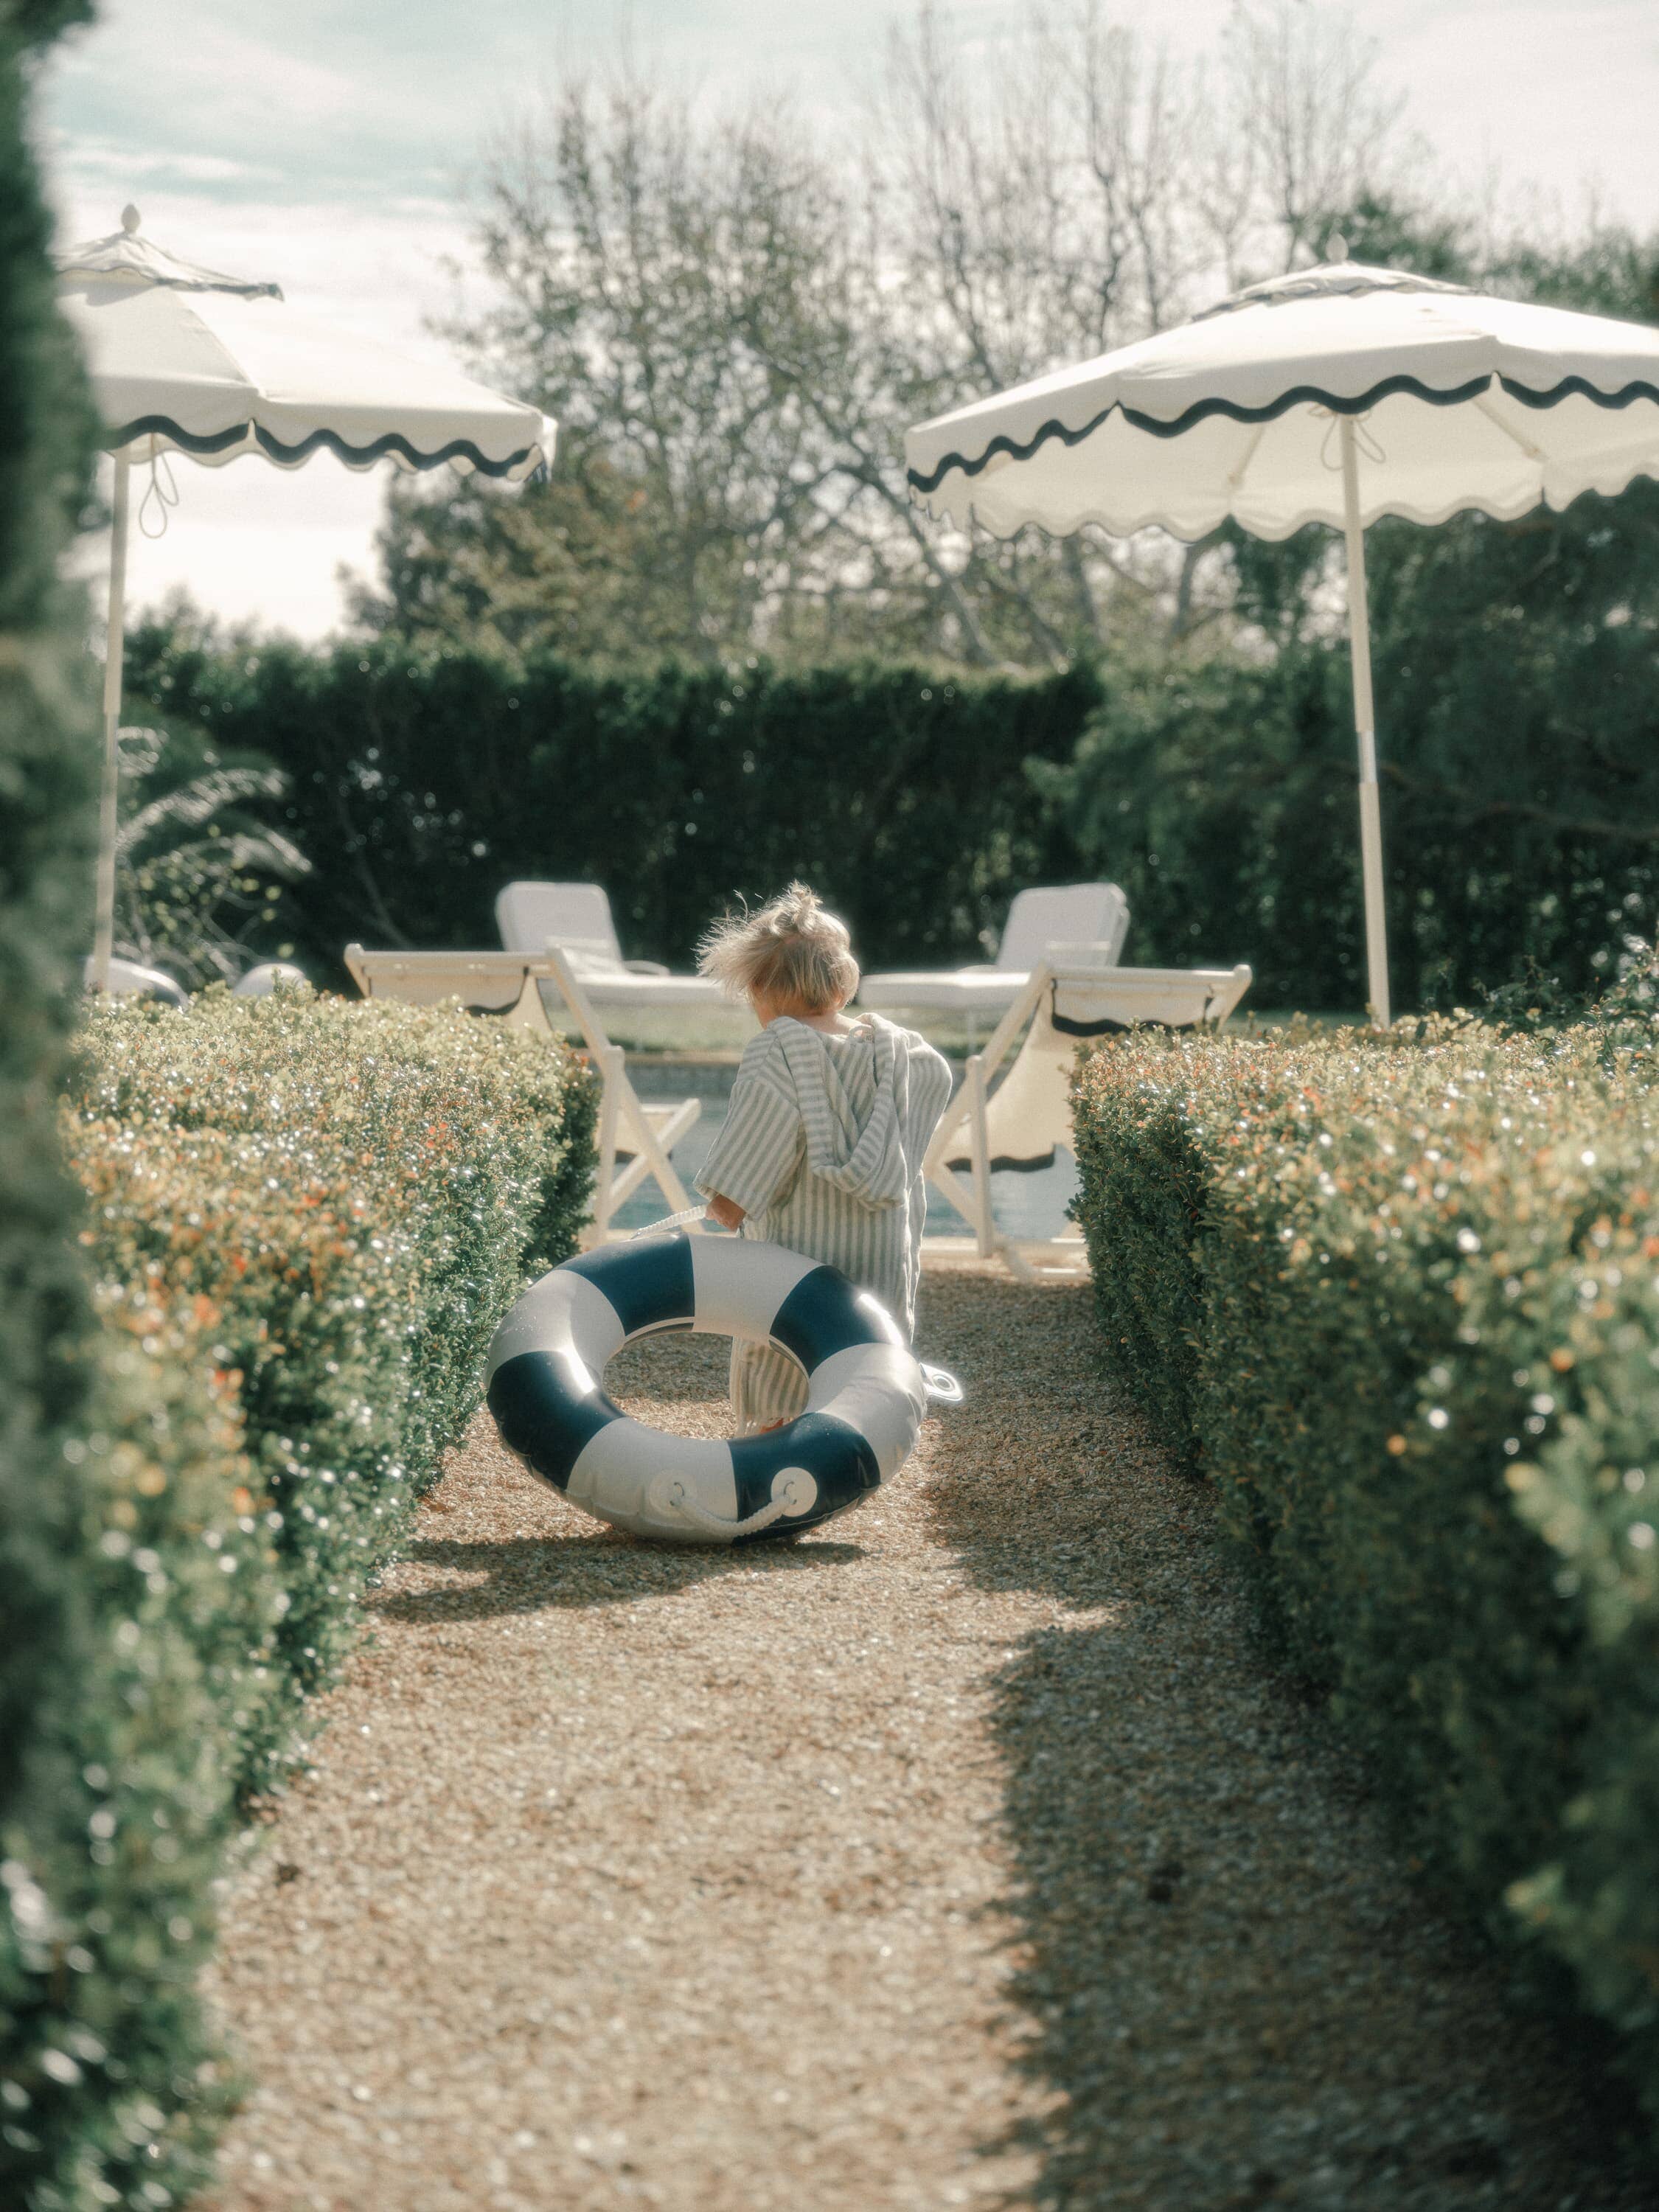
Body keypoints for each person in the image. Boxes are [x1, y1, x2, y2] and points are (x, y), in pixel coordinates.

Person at [694, 883, 953, 1433]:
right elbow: (933, 1086)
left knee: (783, 1364)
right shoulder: (903, 1053)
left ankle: (771, 1454)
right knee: (866, 1358)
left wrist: (726, 1204)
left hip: (798, 1260)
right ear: (841, 984)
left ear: (763, 989)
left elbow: (756, 1143)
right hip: (879, 1256)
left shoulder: (779, 1049)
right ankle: (861, 1444)